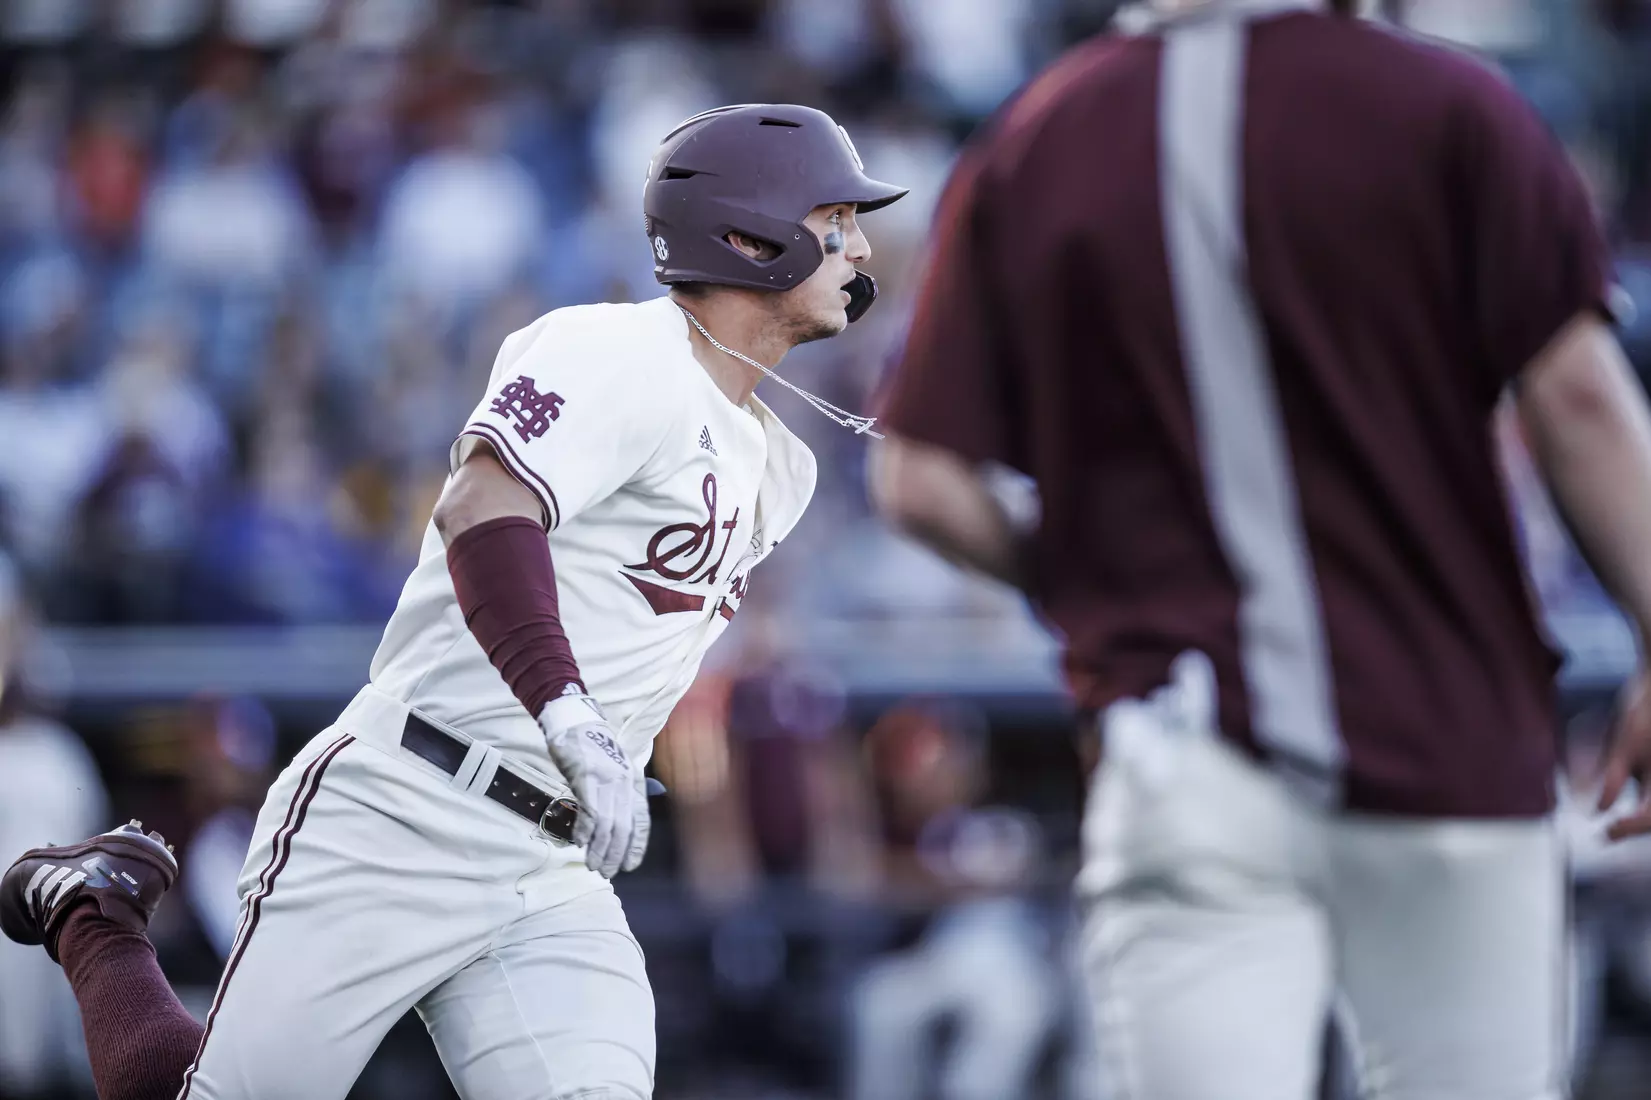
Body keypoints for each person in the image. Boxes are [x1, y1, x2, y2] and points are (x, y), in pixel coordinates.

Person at [1, 102, 905, 1100]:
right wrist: (569, 713)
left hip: (553, 862)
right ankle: (91, 913)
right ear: (748, 234)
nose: (859, 246)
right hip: (405, 799)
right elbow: (481, 505)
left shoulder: (780, 463)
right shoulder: (619, 349)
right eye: (836, 217)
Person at [869, 1, 1651, 1097]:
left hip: (1185, 744)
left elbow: (922, 483)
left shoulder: (1038, 138)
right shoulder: (1454, 107)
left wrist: (1106, 585)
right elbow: (1576, 399)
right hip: (1450, 739)